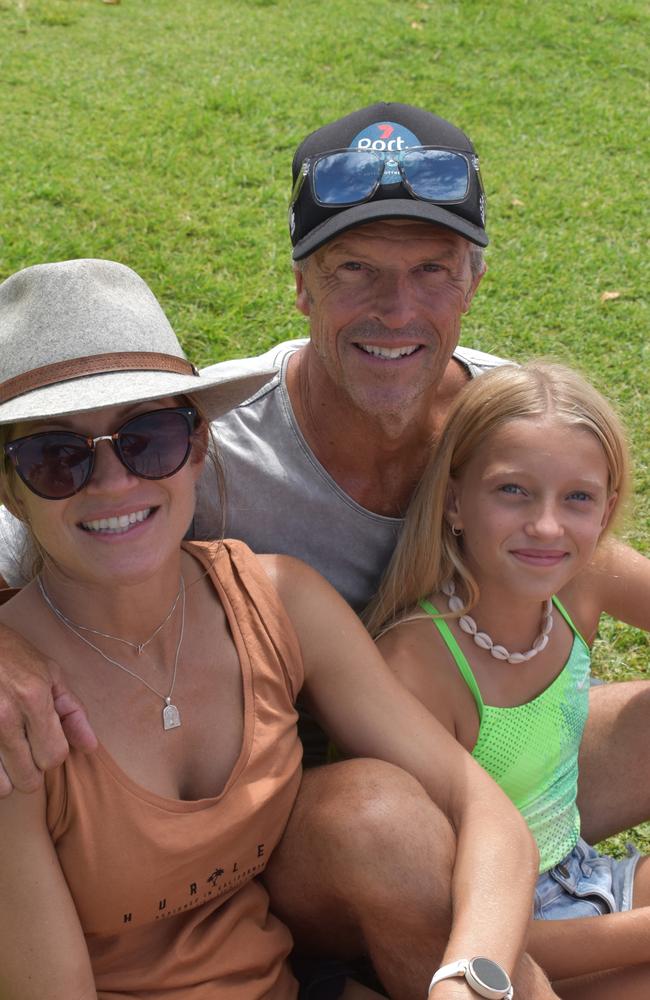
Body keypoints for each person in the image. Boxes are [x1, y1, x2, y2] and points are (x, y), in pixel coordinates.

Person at [0, 101, 647, 976]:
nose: (396, 309)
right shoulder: (192, 457)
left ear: (473, 282)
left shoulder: (502, 428)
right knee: (382, 817)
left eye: (432, 269)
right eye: (354, 271)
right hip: (317, 821)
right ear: (302, 284)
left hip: (490, 768)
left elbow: (594, 557)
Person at [0, 257, 554, 1000]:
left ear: (198, 446)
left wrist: (468, 977)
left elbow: (478, 805)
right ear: (9, 489)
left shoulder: (276, 600)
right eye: (56, 458)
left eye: (149, 438)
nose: (114, 483)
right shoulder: (17, 711)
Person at [367, 361, 650, 998]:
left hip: (581, 874)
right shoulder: (417, 668)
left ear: (605, 511)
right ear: (455, 501)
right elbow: (452, 931)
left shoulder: (587, 578)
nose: (547, 526)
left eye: (576, 498)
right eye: (513, 491)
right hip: (504, 937)